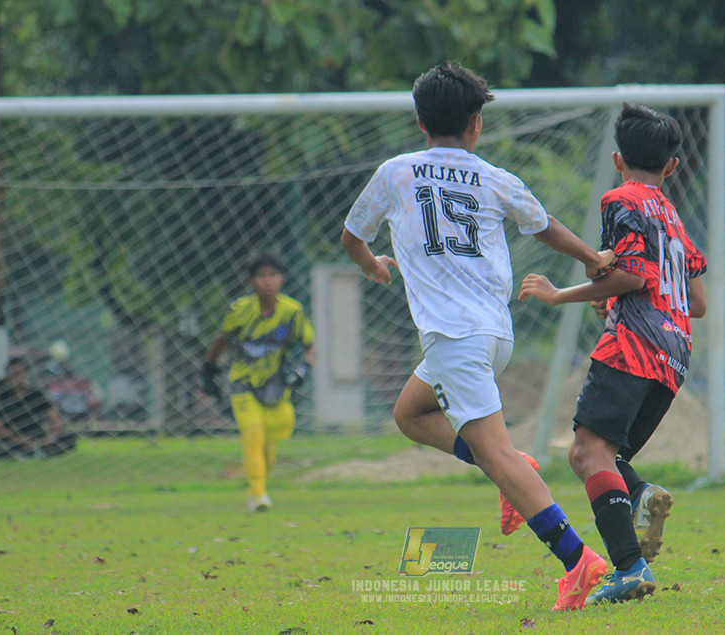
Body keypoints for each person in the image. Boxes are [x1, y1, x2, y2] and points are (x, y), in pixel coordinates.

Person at [341, 61, 616, 611]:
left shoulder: (395, 173)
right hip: (494, 334)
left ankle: (577, 560)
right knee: (410, 414)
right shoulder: (494, 177)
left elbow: (351, 237)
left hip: (453, 340)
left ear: (420, 122)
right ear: (476, 124)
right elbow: (547, 228)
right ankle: (513, 462)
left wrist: (372, 263)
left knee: (494, 457)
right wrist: (592, 257)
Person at [518, 102, 708, 605]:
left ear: (617, 158)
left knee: (586, 452)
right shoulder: (671, 216)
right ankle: (641, 494)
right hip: (675, 355)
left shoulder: (619, 198)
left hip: (633, 347)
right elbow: (698, 302)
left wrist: (561, 295)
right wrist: (622, 295)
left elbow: (634, 276)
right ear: (671, 167)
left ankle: (628, 568)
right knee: (608, 456)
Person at [201, 252, 315, 513]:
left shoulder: (292, 311)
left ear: (282, 279)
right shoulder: (239, 311)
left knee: (268, 443)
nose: (268, 281)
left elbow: (309, 345)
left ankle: (257, 489)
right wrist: (208, 368)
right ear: (251, 281)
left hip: (275, 385)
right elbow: (221, 339)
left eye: (273, 275)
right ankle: (260, 495)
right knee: (252, 435)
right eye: (261, 276)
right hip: (242, 383)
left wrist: (303, 369)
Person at [0, 357, 78, 459]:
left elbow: (56, 421)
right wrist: (22, 441)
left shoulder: (35, 395)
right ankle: (23, 454)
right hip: (13, 440)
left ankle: (38, 452)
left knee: (69, 438)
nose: (15, 378)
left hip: (37, 438)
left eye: (18, 374)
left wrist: (48, 439)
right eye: (11, 374)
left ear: (26, 374)